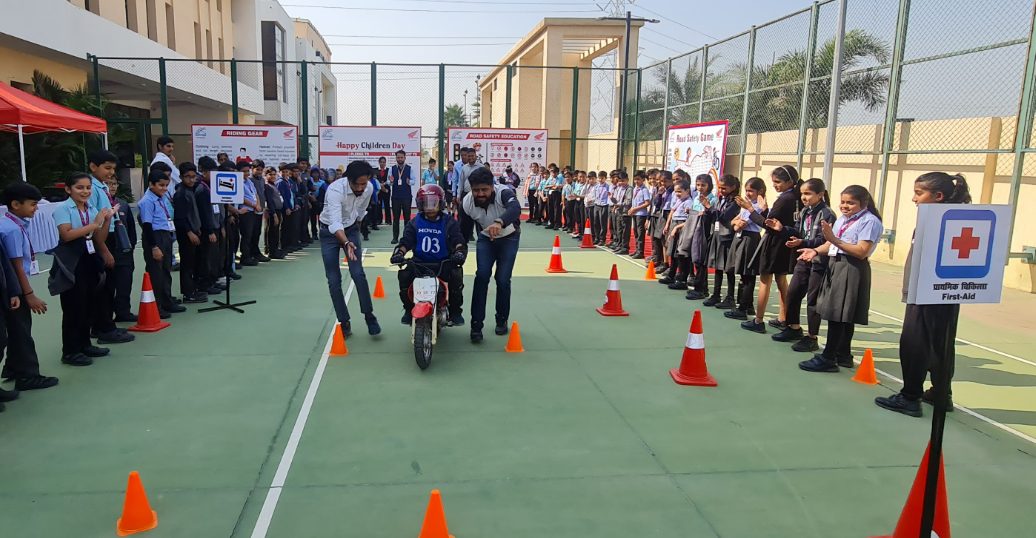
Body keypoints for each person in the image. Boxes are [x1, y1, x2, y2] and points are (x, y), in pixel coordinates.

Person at [875, 173, 971, 417]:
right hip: (945, 293)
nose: (914, 199)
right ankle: (941, 393)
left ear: (938, 196)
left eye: (919, 193)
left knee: (914, 343)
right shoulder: (953, 218)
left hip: (927, 291)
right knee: (942, 343)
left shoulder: (936, 221)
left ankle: (910, 397)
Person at [797, 185, 884, 373]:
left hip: (851, 266)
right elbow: (831, 244)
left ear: (863, 203)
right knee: (842, 312)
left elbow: (861, 251)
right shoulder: (844, 219)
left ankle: (828, 357)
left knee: (839, 313)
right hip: (836, 264)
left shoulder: (869, 221)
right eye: (843, 202)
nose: (845, 206)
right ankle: (843, 354)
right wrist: (815, 251)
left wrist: (834, 240)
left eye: (850, 203)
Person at [0, 182, 58, 392]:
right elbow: (15, 266)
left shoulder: (8, 223)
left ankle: (12, 367)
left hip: (10, 286)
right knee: (22, 330)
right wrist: (28, 294)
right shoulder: (12, 230)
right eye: (33, 204)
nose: (36, 208)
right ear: (16, 204)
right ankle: (27, 375)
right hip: (14, 287)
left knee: (16, 329)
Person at [53, 173, 115, 366]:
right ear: (68, 189)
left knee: (89, 302)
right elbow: (66, 235)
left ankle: (85, 344)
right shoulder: (63, 209)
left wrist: (106, 221)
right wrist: (94, 223)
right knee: (73, 306)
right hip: (72, 259)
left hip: (89, 256)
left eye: (88, 187)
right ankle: (70, 351)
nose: (85, 191)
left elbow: (98, 237)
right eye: (79, 187)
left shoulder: (90, 208)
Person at [770, 178, 836, 352]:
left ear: (820, 195)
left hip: (819, 261)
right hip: (803, 258)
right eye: (802, 194)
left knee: (813, 299)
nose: (804, 197)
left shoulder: (827, 214)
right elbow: (798, 231)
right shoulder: (805, 211)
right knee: (793, 293)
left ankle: (812, 337)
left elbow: (824, 240)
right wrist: (783, 229)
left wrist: (803, 242)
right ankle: (793, 327)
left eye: (808, 193)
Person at [318, 160, 382, 337]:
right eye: (357, 184)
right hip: (329, 232)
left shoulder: (368, 188)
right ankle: (344, 321)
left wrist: (355, 231)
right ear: (348, 179)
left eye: (364, 184)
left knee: (358, 273)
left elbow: (361, 210)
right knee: (333, 280)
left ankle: (369, 315)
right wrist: (346, 243)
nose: (361, 188)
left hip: (351, 229)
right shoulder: (335, 191)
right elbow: (335, 223)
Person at [390, 184, 467, 326]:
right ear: (420, 204)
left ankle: (455, 311)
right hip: (419, 264)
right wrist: (399, 253)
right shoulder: (414, 223)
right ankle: (408, 309)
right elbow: (406, 241)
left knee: (456, 275)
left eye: (433, 202)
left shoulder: (449, 221)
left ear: (441, 203)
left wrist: (459, 253)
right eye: (426, 203)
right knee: (404, 275)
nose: (430, 206)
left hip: (443, 264)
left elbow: (458, 240)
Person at [463, 167, 522, 342]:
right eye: (476, 190)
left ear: (492, 187)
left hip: (509, 237)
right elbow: (463, 230)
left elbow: (515, 209)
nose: (480, 194)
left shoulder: (503, 193)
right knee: (481, 276)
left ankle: (501, 319)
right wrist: (458, 249)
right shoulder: (467, 203)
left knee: (502, 280)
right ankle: (476, 326)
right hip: (485, 239)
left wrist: (499, 222)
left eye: (484, 189)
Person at [740, 166, 801, 333]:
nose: (774, 185)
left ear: (789, 182)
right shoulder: (795, 197)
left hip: (774, 243)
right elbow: (773, 219)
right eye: (773, 181)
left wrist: (751, 209)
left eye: (778, 182)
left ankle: (758, 320)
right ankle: (784, 317)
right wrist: (765, 209)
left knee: (765, 281)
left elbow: (768, 224)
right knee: (781, 280)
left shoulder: (785, 199)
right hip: (785, 242)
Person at [87, 151, 134, 345]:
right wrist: (104, 249)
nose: (111, 172)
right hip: (101, 238)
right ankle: (104, 328)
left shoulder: (102, 186)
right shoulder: (92, 188)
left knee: (110, 285)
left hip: (110, 236)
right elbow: (95, 221)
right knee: (104, 286)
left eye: (113, 168)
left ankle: (104, 324)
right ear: (93, 166)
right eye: (107, 168)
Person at [137, 170, 184, 316]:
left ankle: (166, 301)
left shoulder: (161, 197)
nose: (164, 188)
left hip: (165, 234)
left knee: (165, 270)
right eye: (161, 185)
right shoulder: (147, 201)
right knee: (156, 273)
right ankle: (156, 306)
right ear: (151, 184)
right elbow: (147, 225)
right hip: (155, 237)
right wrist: (154, 247)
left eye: (166, 185)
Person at [725, 177, 767, 320]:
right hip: (741, 237)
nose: (748, 193)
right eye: (746, 190)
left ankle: (742, 308)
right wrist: (735, 223)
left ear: (760, 191)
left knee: (748, 274)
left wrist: (736, 224)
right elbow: (733, 221)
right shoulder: (747, 205)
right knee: (742, 273)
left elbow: (741, 224)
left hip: (750, 238)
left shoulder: (757, 207)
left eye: (751, 191)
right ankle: (748, 305)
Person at [704, 175, 741, 309]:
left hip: (727, 237)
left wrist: (710, 208)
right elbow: (715, 216)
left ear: (733, 187)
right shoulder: (721, 199)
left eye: (724, 188)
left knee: (728, 268)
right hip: (717, 234)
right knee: (717, 266)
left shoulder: (735, 202)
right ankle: (716, 294)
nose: (721, 190)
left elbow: (724, 217)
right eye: (719, 188)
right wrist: (708, 210)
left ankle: (730, 297)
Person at [105, 172, 138, 323]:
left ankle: (123, 312)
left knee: (125, 284)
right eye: (108, 184)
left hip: (124, 252)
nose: (111, 187)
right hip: (107, 251)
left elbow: (131, 228)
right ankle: (105, 317)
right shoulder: (99, 204)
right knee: (107, 286)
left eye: (114, 184)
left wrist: (131, 246)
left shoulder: (123, 204)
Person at [173, 162, 207, 304]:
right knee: (187, 264)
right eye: (188, 177)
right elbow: (180, 218)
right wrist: (189, 232)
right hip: (186, 234)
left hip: (195, 231)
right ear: (181, 177)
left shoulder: (191, 190)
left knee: (194, 262)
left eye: (194, 176)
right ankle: (188, 294)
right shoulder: (180, 194)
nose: (191, 179)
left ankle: (194, 289)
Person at [685, 174, 718, 299]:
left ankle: (700, 289)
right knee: (696, 258)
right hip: (696, 229)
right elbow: (695, 212)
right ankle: (703, 288)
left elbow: (712, 214)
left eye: (703, 185)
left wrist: (704, 212)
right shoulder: (696, 198)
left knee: (701, 260)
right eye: (698, 185)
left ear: (709, 185)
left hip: (706, 231)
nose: (700, 188)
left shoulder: (713, 199)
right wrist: (690, 211)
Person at [658, 179, 693, 289]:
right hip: (674, 223)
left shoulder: (689, 202)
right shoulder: (679, 200)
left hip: (682, 226)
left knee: (681, 254)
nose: (677, 194)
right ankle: (671, 275)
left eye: (680, 191)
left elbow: (689, 220)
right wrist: (667, 225)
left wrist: (677, 227)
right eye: (676, 191)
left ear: (687, 191)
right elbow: (672, 212)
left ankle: (681, 279)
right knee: (672, 252)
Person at [389, 149, 416, 244]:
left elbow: (414, 181)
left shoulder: (409, 168)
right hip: (395, 197)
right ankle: (395, 237)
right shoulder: (392, 169)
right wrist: (390, 181)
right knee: (395, 218)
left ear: (405, 158)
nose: (400, 159)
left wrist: (409, 182)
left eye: (401, 157)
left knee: (407, 218)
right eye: (398, 157)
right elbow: (389, 182)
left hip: (406, 197)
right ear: (396, 158)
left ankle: (406, 237)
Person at [237, 160, 261, 266]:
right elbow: (240, 198)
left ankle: (250, 255)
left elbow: (255, 194)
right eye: (244, 171)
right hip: (245, 211)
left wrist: (258, 205)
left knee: (253, 234)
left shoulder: (249, 181)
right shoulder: (237, 182)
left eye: (248, 171)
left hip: (253, 211)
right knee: (246, 235)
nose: (246, 173)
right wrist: (254, 205)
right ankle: (245, 257)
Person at [263, 166, 285, 259]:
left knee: (275, 231)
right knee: (272, 232)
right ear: (265, 175)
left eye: (274, 174)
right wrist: (274, 214)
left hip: (277, 211)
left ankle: (275, 249)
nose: (272, 176)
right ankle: (271, 251)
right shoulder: (267, 186)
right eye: (270, 174)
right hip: (272, 212)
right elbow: (270, 201)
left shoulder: (273, 185)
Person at [628, 171, 651, 258]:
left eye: (638, 179)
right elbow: (634, 201)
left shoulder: (644, 190)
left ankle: (640, 252)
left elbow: (647, 203)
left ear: (643, 180)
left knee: (640, 233)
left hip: (641, 214)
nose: (636, 181)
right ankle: (637, 250)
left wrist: (635, 209)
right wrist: (631, 208)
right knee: (636, 232)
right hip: (635, 213)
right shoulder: (635, 189)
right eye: (635, 179)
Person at [375, 156, 391, 227]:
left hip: (386, 190)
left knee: (387, 204)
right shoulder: (375, 170)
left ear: (385, 163)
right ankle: (379, 220)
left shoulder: (389, 170)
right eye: (381, 162)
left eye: (384, 162)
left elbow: (390, 180)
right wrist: (380, 185)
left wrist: (383, 184)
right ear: (379, 162)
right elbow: (374, 180)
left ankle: (388, 220)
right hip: (378, 190)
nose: (382, 163)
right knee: (379, 205)